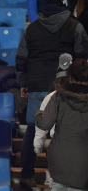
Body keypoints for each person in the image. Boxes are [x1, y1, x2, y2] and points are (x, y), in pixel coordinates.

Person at [15, 0, 88, 187]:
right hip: (65, 85)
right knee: (65, 132)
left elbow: (21, 57)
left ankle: (27, 175)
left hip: (37, 83)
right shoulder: (75, 26)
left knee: (33, 128)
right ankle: (63, 180)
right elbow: (83, 58)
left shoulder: (33, 28)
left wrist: (23, 83)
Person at [35, 58, 88, 190]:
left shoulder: (58, 96)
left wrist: (38, 113)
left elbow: (44, 123)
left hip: (59, 159)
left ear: (69, 77)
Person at [33, 53, 72, 154]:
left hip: (60, 143)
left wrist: (38, 146)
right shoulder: (83, 96)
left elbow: (43, 125)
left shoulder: (52, 97)